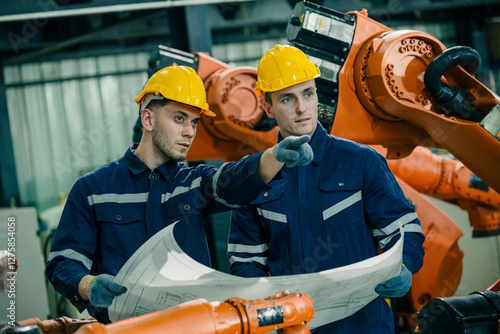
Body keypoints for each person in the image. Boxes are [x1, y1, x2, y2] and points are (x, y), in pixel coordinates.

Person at [46, 65, 313, 323]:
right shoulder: (93, 190)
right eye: (179, 118)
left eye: (194, 122)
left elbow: (232, 180)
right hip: (124, 329)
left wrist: (274, 156)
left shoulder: (194, 184)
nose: (189, 131)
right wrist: (88, 285)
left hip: (192, 327)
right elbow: (62, 263)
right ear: (148, 118)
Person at [227, 45, 425, 333]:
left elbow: (403, 228)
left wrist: (404, 264)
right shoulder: (256, 177)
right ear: (268, 107)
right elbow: (246, 258)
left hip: (363, 326)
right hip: (294, 327)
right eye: (287, 99)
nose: (301, 108)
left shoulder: (361, 162)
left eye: (308, 93)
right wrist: (262, 303)